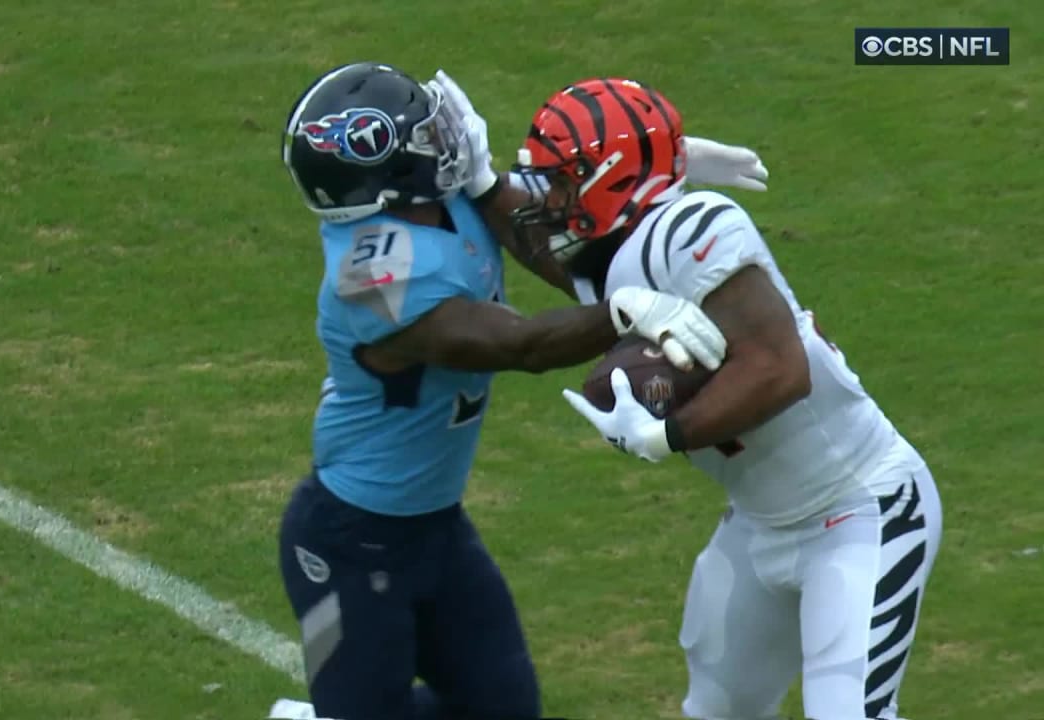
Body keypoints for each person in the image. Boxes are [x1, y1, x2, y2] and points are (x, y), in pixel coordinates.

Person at [270, 62, 765, 720]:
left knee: (503, 708)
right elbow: (519, 345)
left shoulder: (439, 201)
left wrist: (661, 170)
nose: (443, 137)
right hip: (351, 538)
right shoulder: (375, 277)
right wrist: (625, 311)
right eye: (421, 134)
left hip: (436, 526)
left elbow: (561, 210)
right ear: (381, 171)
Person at [484, 76, 942, 719]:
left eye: (565, 181)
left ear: (608, 176)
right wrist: (478, 184)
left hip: (861, 506)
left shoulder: (694, 226)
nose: (553, 200)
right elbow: (565, 266)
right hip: (759, 522)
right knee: (717, 710)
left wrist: (667, 434)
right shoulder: (616, 254)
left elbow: (780, 371)